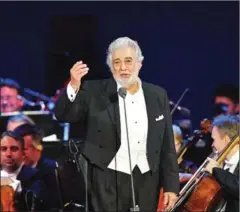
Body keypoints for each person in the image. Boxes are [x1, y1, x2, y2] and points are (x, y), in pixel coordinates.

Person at [54, 36, 179, 211]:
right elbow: (63, 114)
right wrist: (74, 85)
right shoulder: (94, 91)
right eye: (117, 62)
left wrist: (171, 187)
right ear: (110, 66)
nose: (123, 68)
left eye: (128, 61)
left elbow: (167, 145)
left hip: (147, 179)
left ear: (139, 64)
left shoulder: (157, 95)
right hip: (107, 178)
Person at [0, 130, 47, 211]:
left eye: (14, 149)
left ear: (23, 154)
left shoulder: (37, 177)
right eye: (3, 149)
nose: (8, 154)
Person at [203, 115, 239, 212]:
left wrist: (216, 170)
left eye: (214, 139)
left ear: (226, 139)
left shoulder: (219, 169)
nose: (212, 145)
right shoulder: (221, 163)